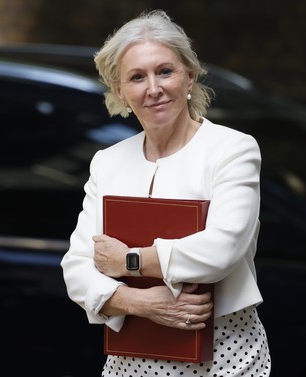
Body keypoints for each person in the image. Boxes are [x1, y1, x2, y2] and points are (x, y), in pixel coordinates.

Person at [61, 9, 271, 377]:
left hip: (224, 360)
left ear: (189, 75)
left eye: (165, 71)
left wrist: (129, 261)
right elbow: (76, 268)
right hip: (130, 364)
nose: (153, 88)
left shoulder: (232, 149)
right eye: (137, 77)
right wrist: (139, 302)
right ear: (120, 92)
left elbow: (222, 248)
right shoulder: (107, 162)